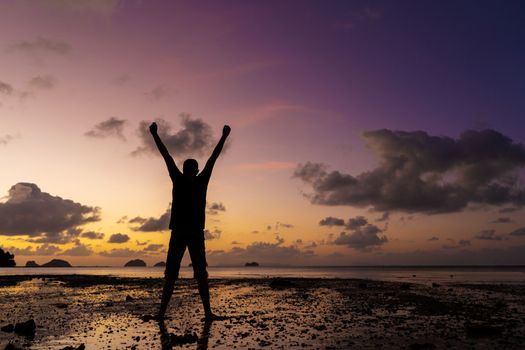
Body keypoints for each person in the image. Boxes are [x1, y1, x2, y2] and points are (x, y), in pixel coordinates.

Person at [150, 121, 231, 321]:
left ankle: (207, 313)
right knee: (172, 274)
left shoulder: (198, 180)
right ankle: (162, 314)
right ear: (189, 170)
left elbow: (212, 158)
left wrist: (224, 137)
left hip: (193, 233)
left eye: (190, 170)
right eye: (188, 170)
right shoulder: (181, 179)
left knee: (200, 274)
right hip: (181, 232)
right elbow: (166, 156)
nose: (188, 173)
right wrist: (154, 135)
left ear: (193, 171)